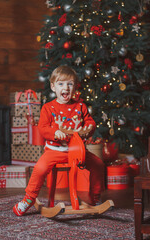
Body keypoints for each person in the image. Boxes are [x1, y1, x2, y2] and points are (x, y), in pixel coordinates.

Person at [13, 65, 105, 216]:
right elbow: (42, 128)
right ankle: (28, 199)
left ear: (75, 87)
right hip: (55, 151)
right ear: (53, 87)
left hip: (77, 151)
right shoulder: (48, 108)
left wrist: (88, 129)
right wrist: (55, 132)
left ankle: (95, 198)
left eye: (70, 84)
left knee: (98, 164)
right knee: (39, 169)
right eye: (61, 84)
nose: (66, 88)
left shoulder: (80, 106)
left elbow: (90, 122)